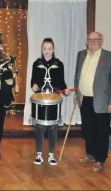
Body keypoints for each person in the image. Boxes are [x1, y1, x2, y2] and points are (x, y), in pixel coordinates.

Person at [74, 31, 111, 172]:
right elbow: (77, 76)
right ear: (86, 41)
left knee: (101, 131)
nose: (92, 42)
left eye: (96, 39)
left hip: (102, 101)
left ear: (101, 41)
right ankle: (90, 154)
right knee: (88, 130)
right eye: (89, 39)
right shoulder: (81, 55)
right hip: (85, 99)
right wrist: (77, 93)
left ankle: (100, 159)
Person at [30, 38, 68, 166]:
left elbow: (62, 83)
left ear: (53, 50)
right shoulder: (37, 63)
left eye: (49, 48)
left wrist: (64, 90)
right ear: (42, 49)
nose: (47, 51)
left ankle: (51, 154)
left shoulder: (59, 64)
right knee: (39, 126)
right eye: (44, 48)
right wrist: (34, 85)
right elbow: (33, 81)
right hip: (40, 99)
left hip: (53, 99)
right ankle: (39, 153)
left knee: (53, 127)